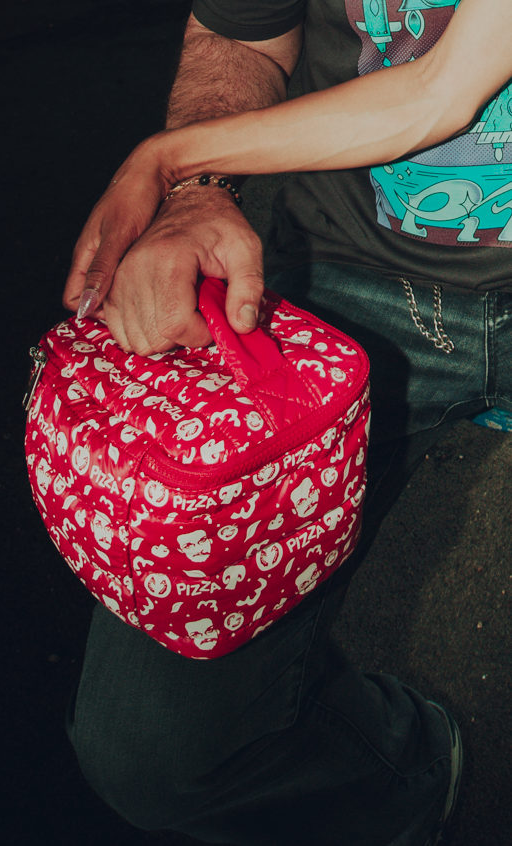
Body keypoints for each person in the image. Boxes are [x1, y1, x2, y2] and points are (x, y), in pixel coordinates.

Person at [63, 2, 512, 844]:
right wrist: (193, 195)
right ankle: (397, 774)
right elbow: (244, 28)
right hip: (361, 290)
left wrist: (166, 160)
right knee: (155, 752)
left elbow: (438, 96)